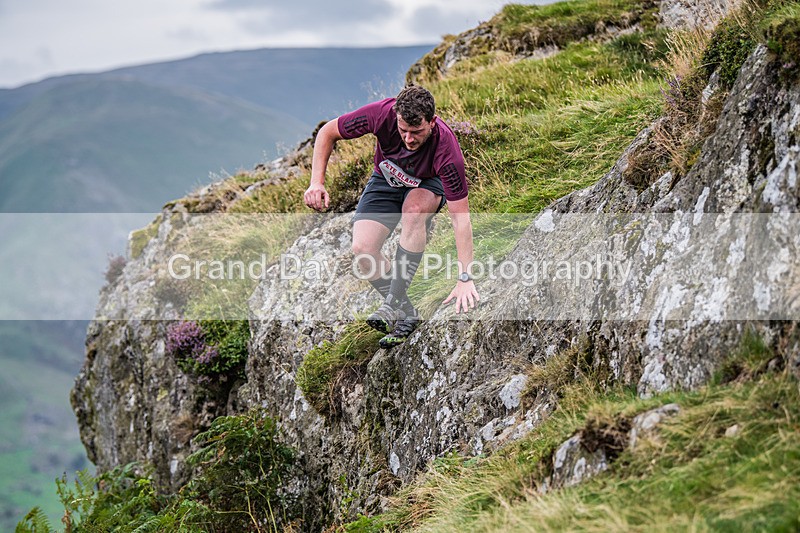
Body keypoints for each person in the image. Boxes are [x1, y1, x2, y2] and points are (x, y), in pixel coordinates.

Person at [304, 85, 479, 348]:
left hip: (427, 185)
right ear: (395, 116)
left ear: (432, 122)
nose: (408, 139)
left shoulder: (446, 151)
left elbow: (460, 218)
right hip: (386, 179)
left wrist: (465, 277)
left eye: (417, 132)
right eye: (403, 131)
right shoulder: (381, 114)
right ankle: (406, 313)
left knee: (414, 211)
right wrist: (316, 182)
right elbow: (327, 132)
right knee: (362, 249)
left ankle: (391, 304)